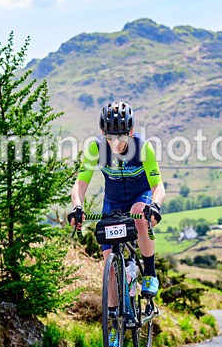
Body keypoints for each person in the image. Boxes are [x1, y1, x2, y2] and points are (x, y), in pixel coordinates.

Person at [68, 101, 166, 305]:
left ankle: (149, 273)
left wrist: (155, 206)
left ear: (130, 132)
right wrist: (77, 207)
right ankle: (114, 317)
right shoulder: (96, 147)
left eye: (120, 136)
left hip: (141, 197)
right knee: (109, 265)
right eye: (109, 137)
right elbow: (81, 183)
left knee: (139, 216)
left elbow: (158, 186)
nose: (114, 142)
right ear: (102, 132)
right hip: (113, 202)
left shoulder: (143, 147)